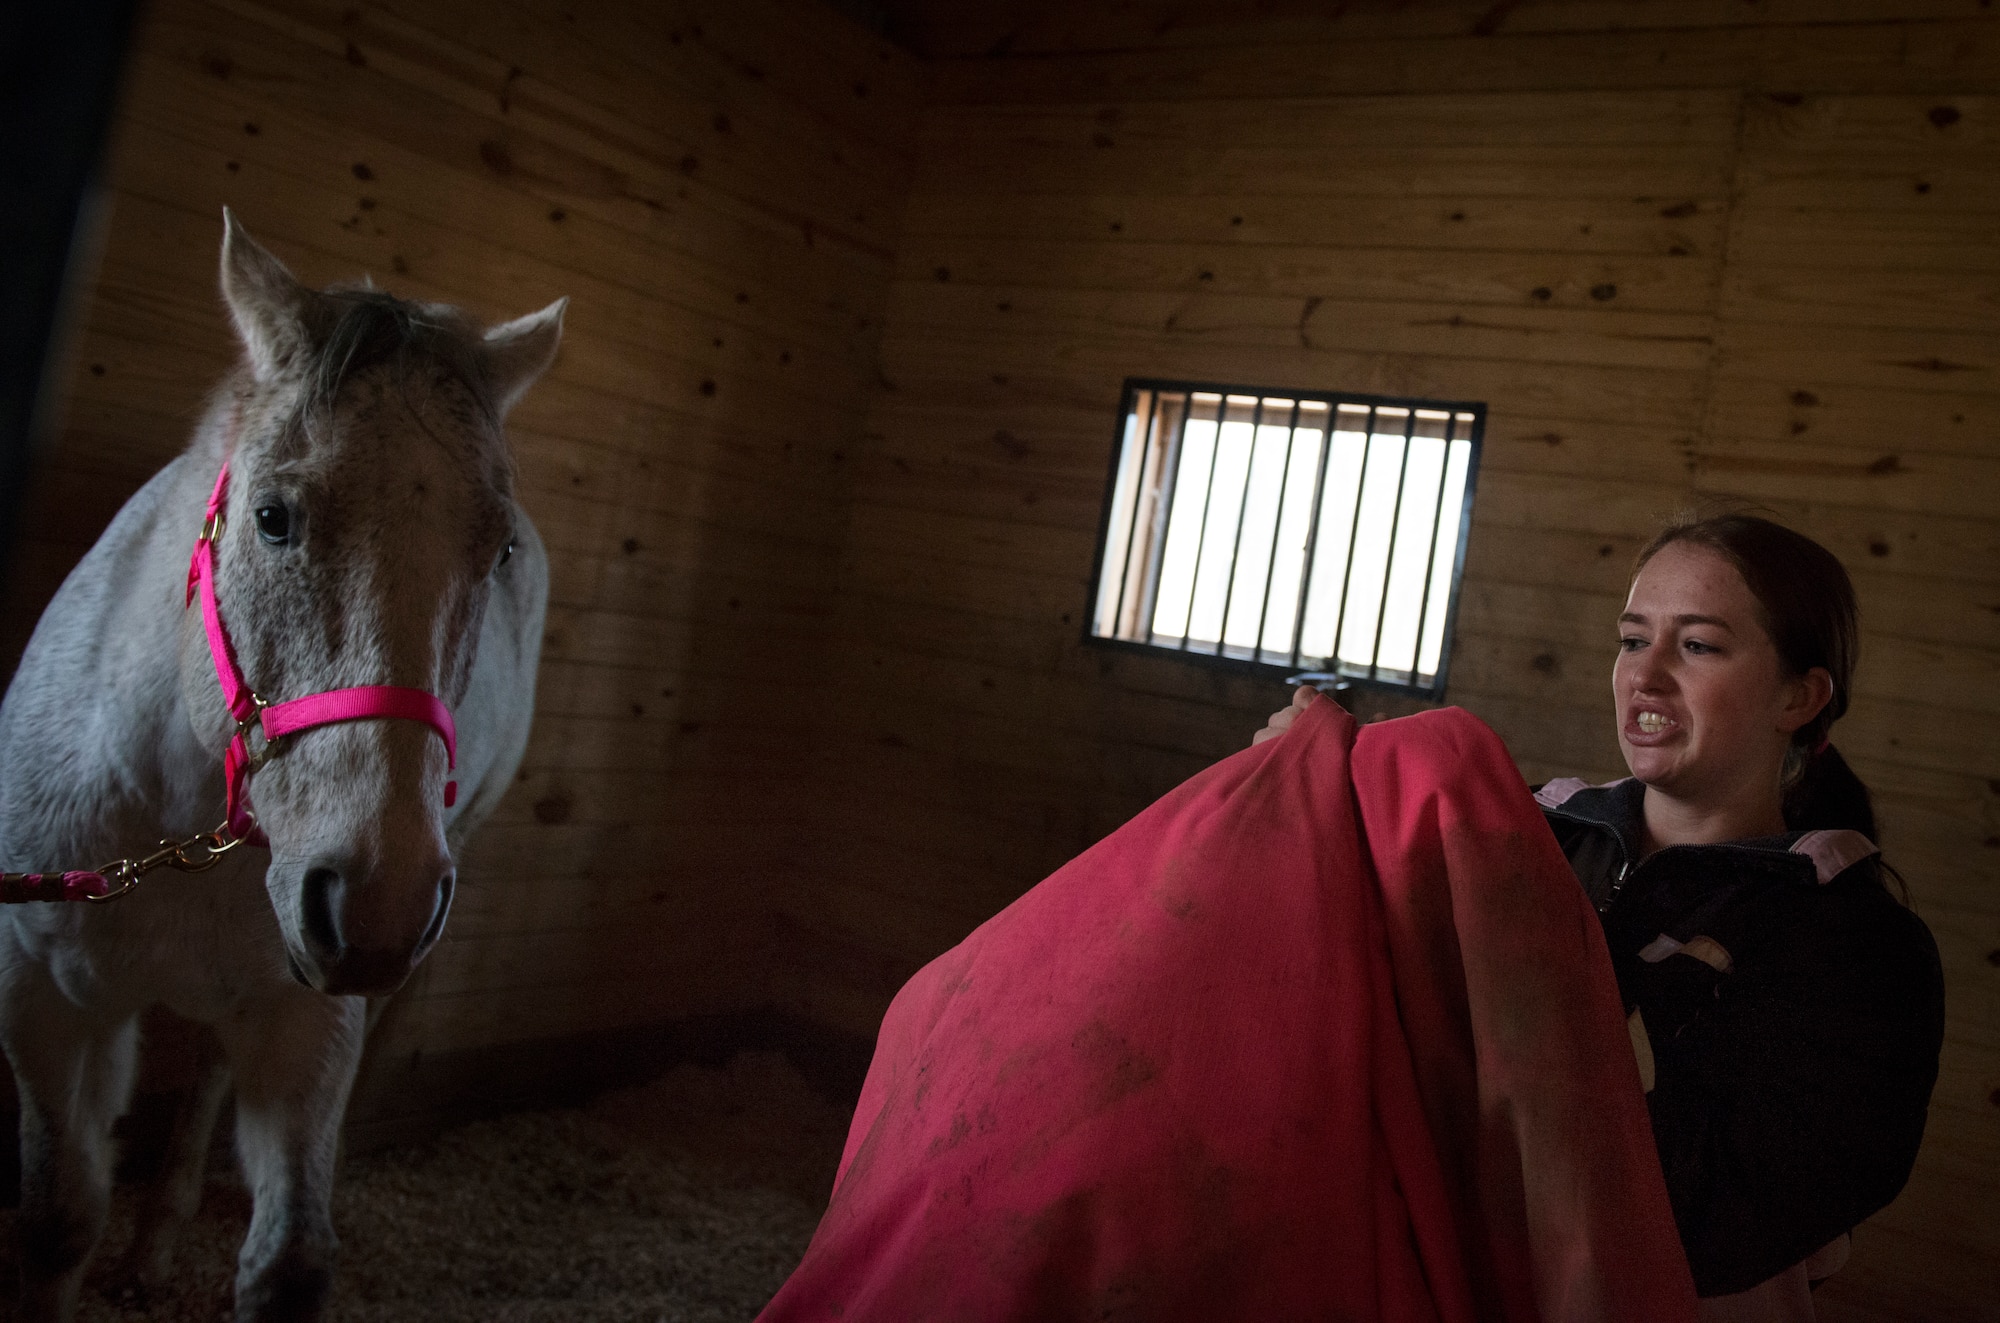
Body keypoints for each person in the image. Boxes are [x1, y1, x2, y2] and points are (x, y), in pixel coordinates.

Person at [1259, 513, 1946, 1314]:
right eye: (1631, 639)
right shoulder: (1522, 834)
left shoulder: (1853, 945)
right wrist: (1310, 793)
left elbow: (1713, 1211)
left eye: (1698, 645)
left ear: (1801, 694)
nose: (1645, 675)